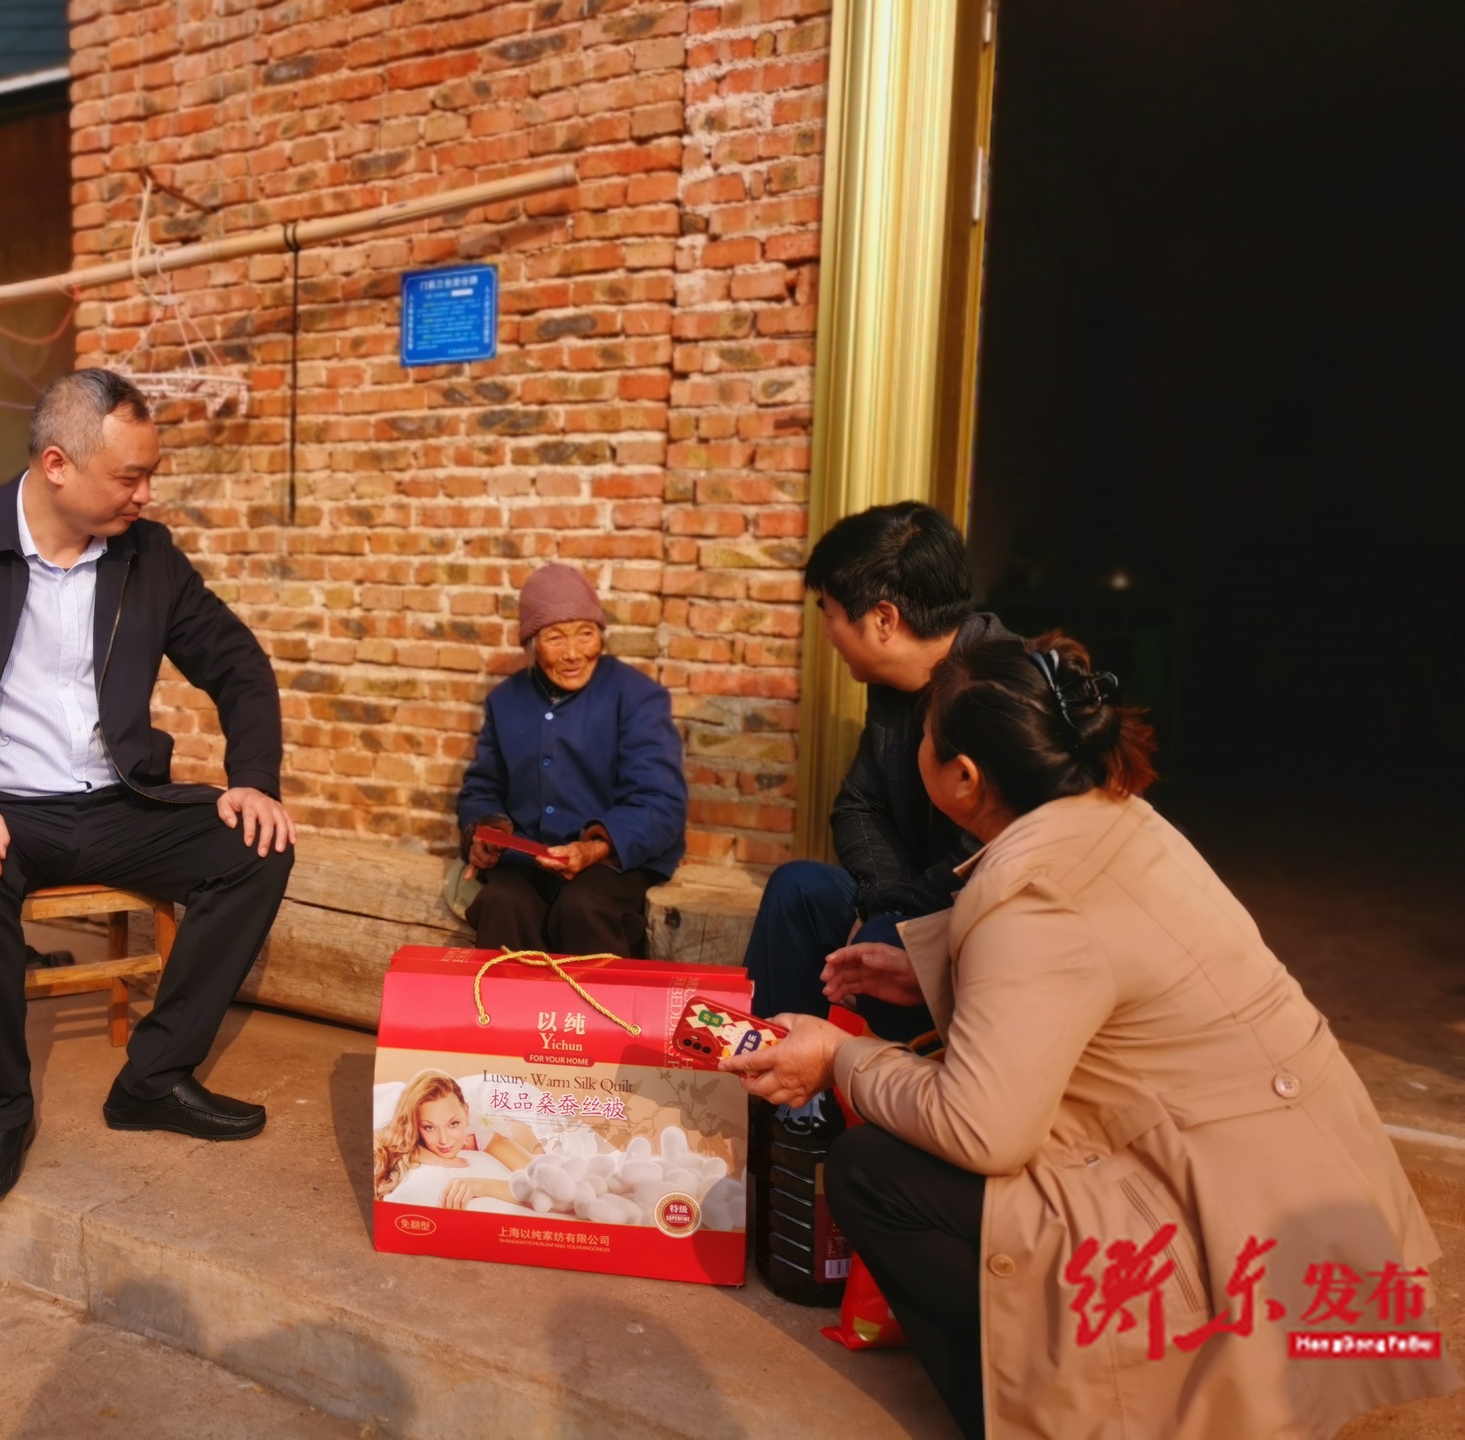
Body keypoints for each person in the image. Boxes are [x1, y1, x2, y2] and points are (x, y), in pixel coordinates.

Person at [722, 632, 1455, 1439]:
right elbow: (1092, 968)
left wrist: (840, 1056)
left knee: (873, 1171)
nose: (918, 749)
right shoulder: (1120, 817)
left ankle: (1050, 1413)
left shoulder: (1027, 891)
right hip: (1301, 1194)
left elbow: (982, 1128)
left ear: (964, 778)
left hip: (1231, 1233)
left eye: (926, 737)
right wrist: (927, 971)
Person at [0, 370, 297, 1202]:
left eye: (151, 475)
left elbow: (238, 665)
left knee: (257, 849)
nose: (146, 495)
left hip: (119, 803)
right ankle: (1, 1112)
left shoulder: (147, 555)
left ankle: (154, 1078)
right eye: (130, 477)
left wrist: (253, 779)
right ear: (56, 465)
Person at [743, 501, 1013, 1040]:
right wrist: (885, 899)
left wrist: (894, 914)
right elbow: (858, 804)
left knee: (881, 944)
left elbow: (988, 847)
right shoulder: (894, 686)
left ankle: (905, 1085)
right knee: (798, 889)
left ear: (884, 619)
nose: (827, 632)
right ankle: (772, 1070)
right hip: (908, 901)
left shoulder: (1003, 692)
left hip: (988, 927)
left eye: (830, 614)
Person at [455, 564, 687, 957]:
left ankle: (593, 1001)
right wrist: (485, 831)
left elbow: (660, 802)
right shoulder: (506, 701)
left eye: (586, 633)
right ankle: (511, 999)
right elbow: (482, 787)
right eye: (555, 638)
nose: (574, 653)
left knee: (583, 908)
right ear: (531, 644)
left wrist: (594, 849)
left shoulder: (636, 697)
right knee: (502, 903)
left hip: (612, 863)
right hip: (527, 860)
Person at [372, 1072, 536, 1210]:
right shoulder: (406, 1134)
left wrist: (481, 1186)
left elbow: (542, 1187)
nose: (444, 1140)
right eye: (429, 1127)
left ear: (466, 1113)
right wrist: (411, 1150)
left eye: (453, 1124)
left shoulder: (481, 1136)